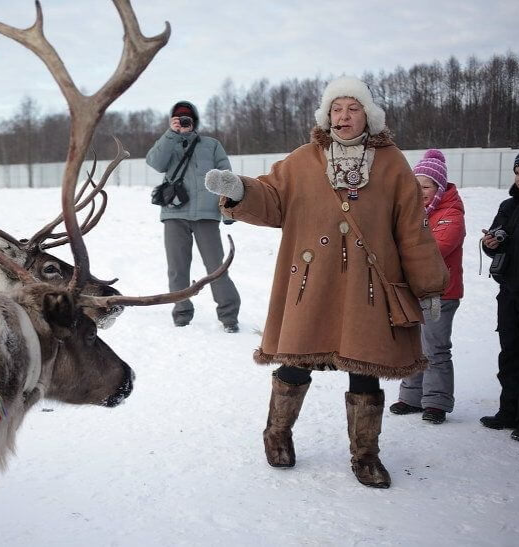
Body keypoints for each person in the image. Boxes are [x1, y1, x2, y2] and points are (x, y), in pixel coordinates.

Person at [205, 76, 448, 488]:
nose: (343, 116)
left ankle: (366, 455)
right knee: (297, 362)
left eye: (352, 109)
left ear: (367, 115)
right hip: (310, 284)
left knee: (365, 368)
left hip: (366, 289)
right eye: (336, 109)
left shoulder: (392, 164)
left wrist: (428, 285)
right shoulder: (303, 159)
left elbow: (413, 229)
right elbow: (272, 197)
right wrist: (240, 191)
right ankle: (277, 433)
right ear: (326, 116)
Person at [146, 101, 240, 332]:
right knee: (177, 268)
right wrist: (171, 134)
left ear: (195, 120)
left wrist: (229, 209)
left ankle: (229, 317)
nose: (184, 121)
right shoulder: (168, 143)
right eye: (179, 118)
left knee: (217, 267)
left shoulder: (211, 145)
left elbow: (226, 177)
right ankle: (181, 313)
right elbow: (154, 163)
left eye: (187, 118)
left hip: (207, 215)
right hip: (174, 214)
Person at [389, 150, 465, 424]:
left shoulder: (451, 214)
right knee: (413, 346)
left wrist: (401, 251)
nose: (420, 191)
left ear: (439, 187)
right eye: (416, 185)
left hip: (441, 292)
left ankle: (436, 401)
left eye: (426, 186)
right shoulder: (412, 212)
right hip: (414, 289)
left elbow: (439, 248)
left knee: (435, 347)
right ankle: (411, 396)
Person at [479, 152, 519, 441]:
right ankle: (509, 411)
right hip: (509, 292)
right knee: (509, 353)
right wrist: (489, 242)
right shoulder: (508, 205)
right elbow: (494, 242)